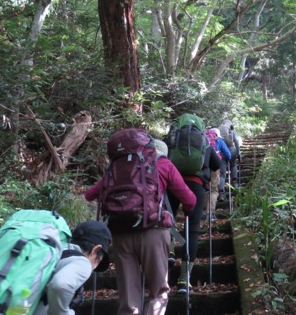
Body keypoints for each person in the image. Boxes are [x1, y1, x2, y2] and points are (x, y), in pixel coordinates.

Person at [85, 133, 196, 315]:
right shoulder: (162, 164)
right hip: (153, 231)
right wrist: (188, 208)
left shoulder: (116, 167)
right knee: (158, 291)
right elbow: (189, 198)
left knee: (128, 296)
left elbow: (90, 195)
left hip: (120, 233)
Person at [165, 119, 221, 294]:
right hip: (196, 185)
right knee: (193, 230)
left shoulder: (172, 139)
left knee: (168, 220)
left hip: (173, 184)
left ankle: (170, 251)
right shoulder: (204, 141)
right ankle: (184, 280)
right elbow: (217, 165)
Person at [35, 220, 112, 315]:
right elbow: (61, 286)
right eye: (98, 260)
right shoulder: (82, 263)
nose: (92, 270)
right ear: (95, 250)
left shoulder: (54, 252)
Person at [206, 127, 231, 213]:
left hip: (203, 166)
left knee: (205, 188)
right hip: (215, 166)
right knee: (213, 189)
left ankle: (199, 210)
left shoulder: (203, 139)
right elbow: (228, 154)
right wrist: (226, 159)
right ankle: (210, 212)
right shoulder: (219, 140)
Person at [218, 119, 241, 191]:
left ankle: (221, 192)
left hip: (222, 152)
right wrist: (238, 152)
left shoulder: (219, 131)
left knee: (222, 173)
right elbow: (236, 141)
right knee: (233, 164)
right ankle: (234, 182)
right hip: (232, 151)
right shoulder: (232, 131)